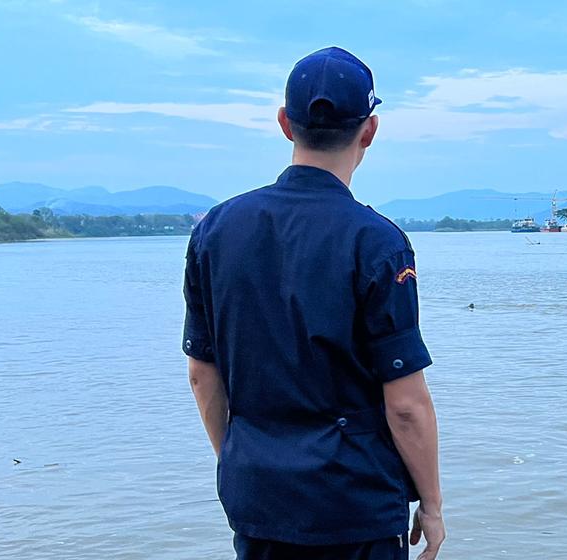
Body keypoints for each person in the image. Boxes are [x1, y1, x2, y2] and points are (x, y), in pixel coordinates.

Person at [183, 46, 444, 560]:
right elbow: (407, 405)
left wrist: (243, 461)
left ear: (285, 123)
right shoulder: (376, 241)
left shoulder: (215, 230)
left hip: (258, 497)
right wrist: (432, 506)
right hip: (353, 505)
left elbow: (202, 374)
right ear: (369, 130)